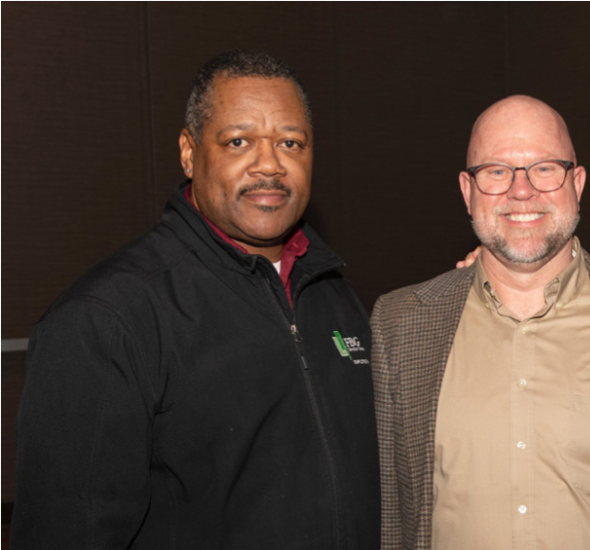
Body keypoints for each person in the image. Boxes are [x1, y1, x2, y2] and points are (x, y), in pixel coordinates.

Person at [12, 50, 379, 549]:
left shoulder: (332, 294)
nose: (270, 164)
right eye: (239, 141)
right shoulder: (108, 320)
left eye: (291, 142)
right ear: (189, 152)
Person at [373, 95, 590, 550]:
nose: (522, 190)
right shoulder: (400, 327)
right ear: (468, 192)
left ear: (578, 182)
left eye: (545, 167)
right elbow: (391, 516)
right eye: (496, 172)